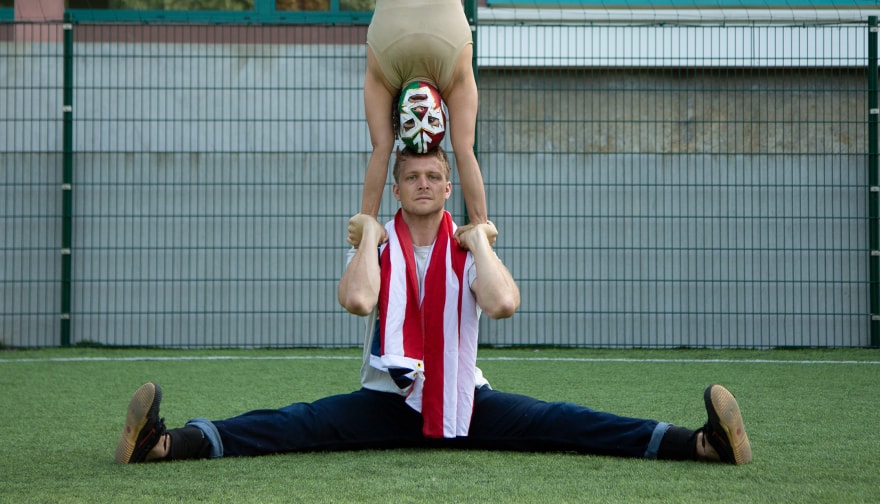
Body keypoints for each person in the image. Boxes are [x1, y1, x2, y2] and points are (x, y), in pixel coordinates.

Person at [131, 0, 704, 239]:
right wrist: (478, 225)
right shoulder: (456, 77)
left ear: (410, 115)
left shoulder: (386, 75)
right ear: (434, 113)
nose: (421, 110)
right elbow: (464, 152)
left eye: (414, 117)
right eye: (428, 116)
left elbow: (383, 151)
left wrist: (365, 217)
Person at [114, 147, 751, 467]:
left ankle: (700, 445)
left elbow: (503, 305)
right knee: (293, 424)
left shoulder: (467, 246)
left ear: (449, 186)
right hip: (384, 399)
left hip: (463, 400)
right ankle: (165, 445)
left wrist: (477, 240)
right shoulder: (378, 242)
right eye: (411, 177)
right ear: (396, 187)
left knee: (564, 420)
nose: (422, 185)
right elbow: (358, 298)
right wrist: (367, 233)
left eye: (433, 177)